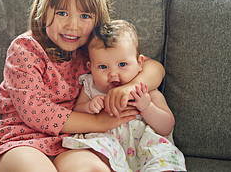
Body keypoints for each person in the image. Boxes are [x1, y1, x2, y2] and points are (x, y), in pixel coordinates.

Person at [0, 0, 166, 172]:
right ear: (43, 11)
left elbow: (154, 68)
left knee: (93, 169)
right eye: (62, 13)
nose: (73, 25)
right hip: (22, 139)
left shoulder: (95, 49)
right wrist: (99, 123)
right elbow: (37, 112)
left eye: (85, 16)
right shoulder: (25, 49)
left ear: (98, 20)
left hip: (75, 142)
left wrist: (128, 88)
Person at [62, 20, 186, 171]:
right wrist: (89, 106)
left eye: (122, 65)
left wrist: (147, 107)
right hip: (108, 144)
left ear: (140, 62)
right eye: (102, 67)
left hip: (146, 145)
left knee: (163, 159)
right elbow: (77, 112)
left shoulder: (146, 89)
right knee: (94, 153)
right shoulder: (91, 86)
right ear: (91, 68)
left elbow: (166, 126)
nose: (113, 74)